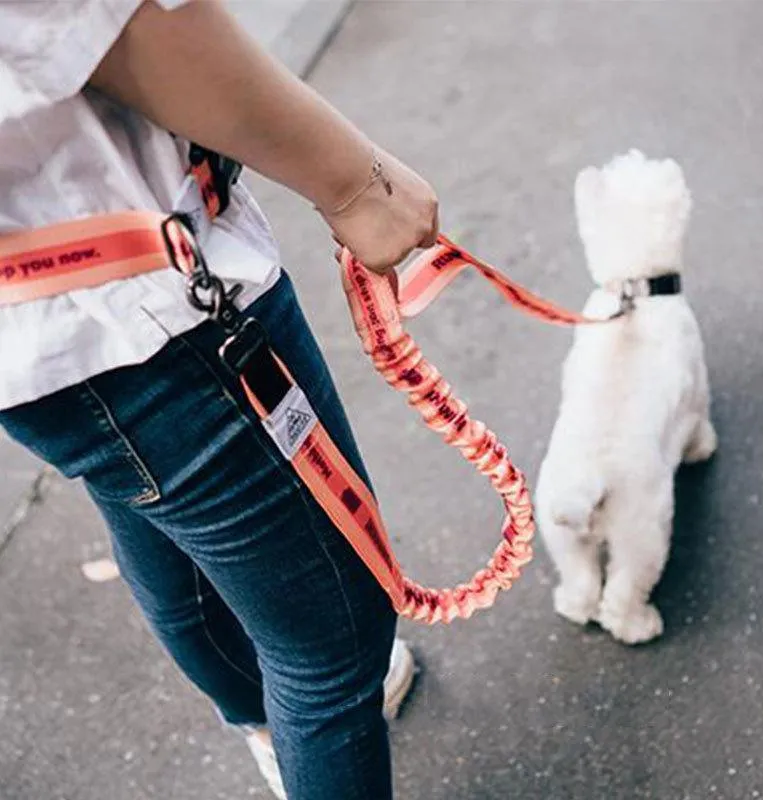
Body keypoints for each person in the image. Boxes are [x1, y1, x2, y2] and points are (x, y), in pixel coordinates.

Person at [0, 2, 439, 798]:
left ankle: (266, 724)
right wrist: (354, 182)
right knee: (334, 643)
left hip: (38, 343)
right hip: (154, 300)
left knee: (151, 508)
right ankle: (295, 723)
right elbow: (123, 22)